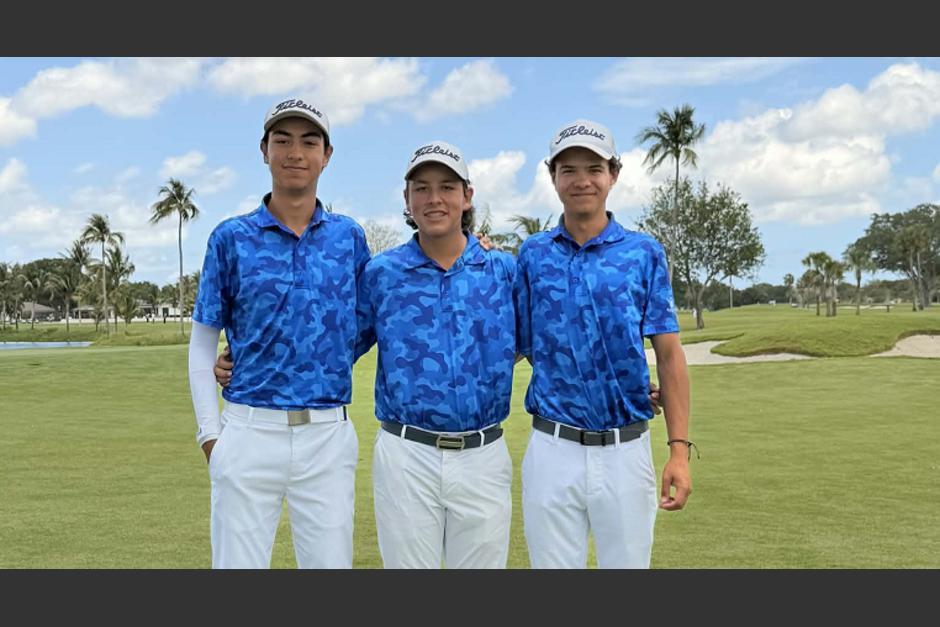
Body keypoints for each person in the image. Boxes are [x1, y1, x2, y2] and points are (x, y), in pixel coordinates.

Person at [188, 97, 370, 569]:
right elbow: (204, 340)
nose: (295, 152)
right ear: (264, 149)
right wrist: (211, 437)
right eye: (282, 140)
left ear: (326, 155)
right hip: (248, 432)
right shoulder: (231, 237)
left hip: (328, 435)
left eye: (309, 141)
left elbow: (367, 321)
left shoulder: (348, 238)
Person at [514, 119, 693, 569]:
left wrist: (678, 451)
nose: (581, 180)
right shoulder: (532, 254)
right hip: (552, 450)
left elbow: (669, 353)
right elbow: (517, 340)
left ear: (613, 174)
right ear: (552, 176)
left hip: (625, 452)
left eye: (593, 168)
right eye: (568, 169)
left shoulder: (643, 253)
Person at [353, 141, 518, 568]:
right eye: (421, 188)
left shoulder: (503, 272)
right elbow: (335, 348)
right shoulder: (381, 274)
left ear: (467, 197)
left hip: (483, 454)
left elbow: (543, 346)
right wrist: (240, 363)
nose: (434, 198)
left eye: (447, 186)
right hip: (406, 455)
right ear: (407, 200)